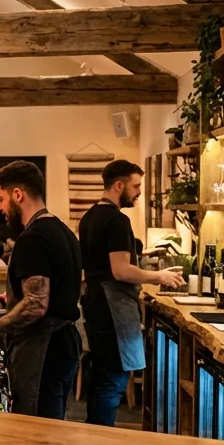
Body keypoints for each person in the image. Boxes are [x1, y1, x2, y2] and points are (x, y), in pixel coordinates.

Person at [0, 161, 82, 421]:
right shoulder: (62, 230)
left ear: (18, 194)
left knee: (37, 432)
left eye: (0, 199)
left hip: (43, 349)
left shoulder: (33, 237)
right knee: (52, 425)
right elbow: (52, 292)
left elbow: (36, 304)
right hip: (64, 342)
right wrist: (13, 299)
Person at [79, 160, 185, 427]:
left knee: (102, 374)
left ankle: (96, 433)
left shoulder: (90, 217)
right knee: (113, 379)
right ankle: (103, 439)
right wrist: (159, 276)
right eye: (135, 186)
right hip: (111, 308)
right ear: (118, 185)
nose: (138, 192)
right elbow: (121, 270)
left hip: (95, 304)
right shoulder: (116, 220)